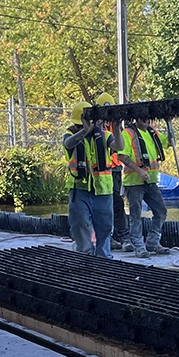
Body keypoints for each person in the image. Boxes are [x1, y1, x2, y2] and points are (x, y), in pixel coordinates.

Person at [62, 100, 118, 257]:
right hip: (79, 188)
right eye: (80, 125)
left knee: (105, 226)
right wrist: (83, 132)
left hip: (102, 189)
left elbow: (119, 147)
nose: (82, 127)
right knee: (79, 223)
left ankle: (103, 257)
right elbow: (68, 143)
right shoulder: (70, 135)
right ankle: (85, 253)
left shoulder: (105, 135)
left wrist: (118, 128)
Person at [118, 116, 171, 257]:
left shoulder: (152, 132)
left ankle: (153, 242)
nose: (145, 121)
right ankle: (139, 246)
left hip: (151, 181)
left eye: (148, 119)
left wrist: (169, 125)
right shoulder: (128, 133)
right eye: (142, 118)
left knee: (160, 211)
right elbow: (122, 157)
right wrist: (139, 170)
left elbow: (169, 142)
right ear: (136, 119)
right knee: (135, 215)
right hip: (134, 182)